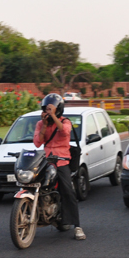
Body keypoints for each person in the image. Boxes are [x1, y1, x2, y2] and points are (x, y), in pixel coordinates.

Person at [33, 93, 84, 240]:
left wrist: (54, 117)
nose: (47, 112)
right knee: (34, 183)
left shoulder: (65, 121)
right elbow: (37, 142)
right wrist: (44, 125)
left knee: (68, 191)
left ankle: (78, 227)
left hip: (62, 162)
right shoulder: (40, 124)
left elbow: (64, 131)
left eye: (50, 109)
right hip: (47, 161)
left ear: (58, 110)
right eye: (46, 109)